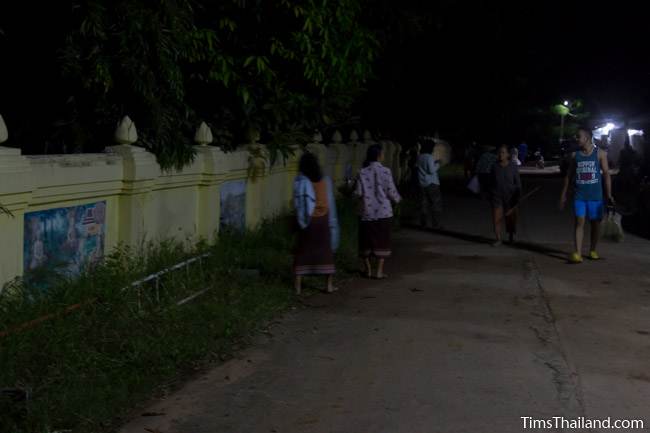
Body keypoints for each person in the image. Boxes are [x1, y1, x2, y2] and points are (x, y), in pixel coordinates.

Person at [559, 126, 614, 263]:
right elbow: (568, 176)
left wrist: (609, 194)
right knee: (579, 222)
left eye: (579, 136)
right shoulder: (575, 156)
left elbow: (606, 174)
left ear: (587, 138)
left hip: (596, 196)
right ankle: (577, 253)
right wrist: (563, 194)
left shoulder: (600, 153)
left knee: (595, 224)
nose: (576, 139)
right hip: (580, 196)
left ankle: (593, 250)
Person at [293, 152, 340, 294]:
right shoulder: (325, 180)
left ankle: (297, 288)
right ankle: (329, 286)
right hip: (322, 220)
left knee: (302, 252)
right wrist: (333, 226)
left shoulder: (300, 181)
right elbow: (330, 203)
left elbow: (297, 204)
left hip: (307, 221)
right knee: (326, 252)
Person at [354, 144, 402, 279]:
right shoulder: (386, 171)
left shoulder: (361, 172)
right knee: (382, 241)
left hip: (366, 212)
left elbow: (358, 193)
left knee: (365, 241)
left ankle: (368, 269)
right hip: (384, 212)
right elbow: (391, 191)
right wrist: (398, 200)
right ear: (380, 156)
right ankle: (379, 271)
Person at [491, 145, 522, 246]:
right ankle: (498, 239)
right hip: (497, 196)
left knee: (511, 220)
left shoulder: (513, 166)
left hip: (511, 197)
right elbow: (490, 181)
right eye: (499, 152)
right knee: (496, 218)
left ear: (508, 154)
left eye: (503, 152)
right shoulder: (494, 166)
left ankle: (511, 237)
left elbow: (518, 183)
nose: (501, 155)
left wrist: (517, 197)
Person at [417, 139, 443, 229]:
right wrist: (438, 164)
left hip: (422, 183)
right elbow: (431, 170)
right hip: (432, 183)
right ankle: (436, 224)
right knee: (435, 203)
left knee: (423, 203)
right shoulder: (429, 157)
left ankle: (423, 223)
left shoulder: (419, 156)